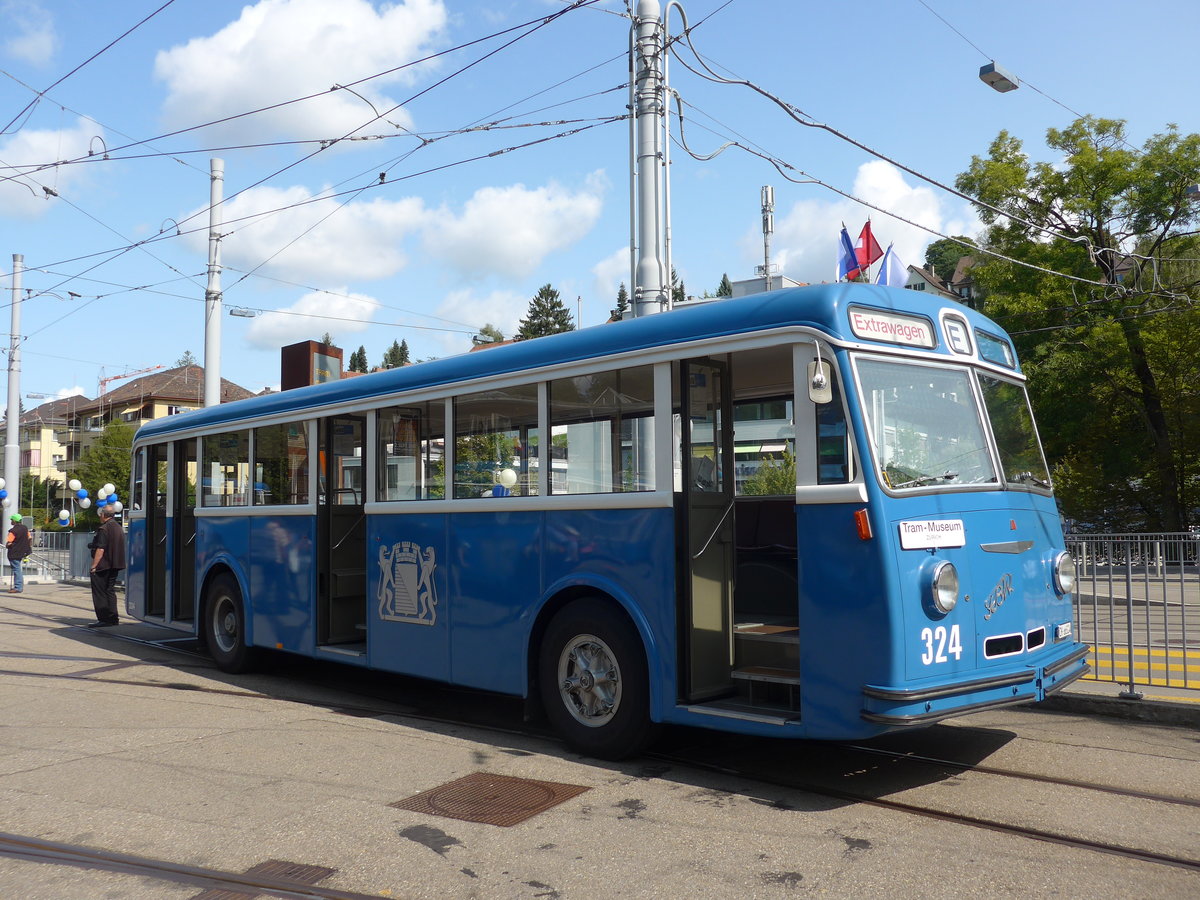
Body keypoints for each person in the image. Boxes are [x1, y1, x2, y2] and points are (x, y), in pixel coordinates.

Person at [88, 506, 126, 627]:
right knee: (110, 591)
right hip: (115, 564)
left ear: (104, 515)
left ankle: (104, 618)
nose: (100, 516)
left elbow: (101, 548)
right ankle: (113, 618)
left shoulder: (104, 528)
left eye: (101, 514)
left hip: (103, 565)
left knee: (100, 593)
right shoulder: (118, 527)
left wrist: (94, 565)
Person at [5, 514, 32, 593]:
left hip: (14, 552)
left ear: (14, 521)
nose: (11, 521)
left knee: (16, 569)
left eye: (11, 520)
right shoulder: (25, 528)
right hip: (22, 552)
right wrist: (28, 548)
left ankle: (18, 587)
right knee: (18, 569)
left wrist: (7, 545)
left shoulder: (13, 531)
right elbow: (30, 538)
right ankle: (19, 586)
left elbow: (9, 542)